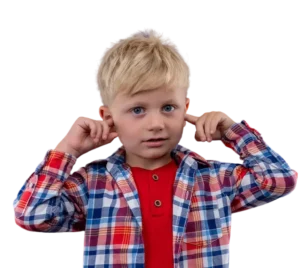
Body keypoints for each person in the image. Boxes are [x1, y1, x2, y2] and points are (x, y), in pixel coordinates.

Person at [12, 27, 299, 267]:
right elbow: (31, 216)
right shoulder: (92, 184)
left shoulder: (214, 179)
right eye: (138, 109)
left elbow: (280, 182)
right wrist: (67, 151)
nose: (156, 123)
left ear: (186, 108)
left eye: (168, 107)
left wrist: (231, 130)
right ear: (108, 117)